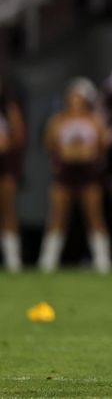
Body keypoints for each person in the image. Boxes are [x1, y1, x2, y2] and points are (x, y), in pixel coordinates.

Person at [39, 78, 112, 273]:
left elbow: (101, 147)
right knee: (57, 217)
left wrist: (83, 153)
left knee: (94, 216)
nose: (75, 100)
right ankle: (48, 261)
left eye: (79, 96)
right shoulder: (58, 120)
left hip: (88, 175)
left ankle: (102, 261)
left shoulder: (95, 120)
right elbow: (50, 145)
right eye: (72, 95)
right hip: (64, 175)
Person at [0, 79, 25, 272]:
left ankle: (13, 260)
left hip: (4, 167)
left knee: (7, 211)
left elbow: (17, 139)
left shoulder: (9, 109)